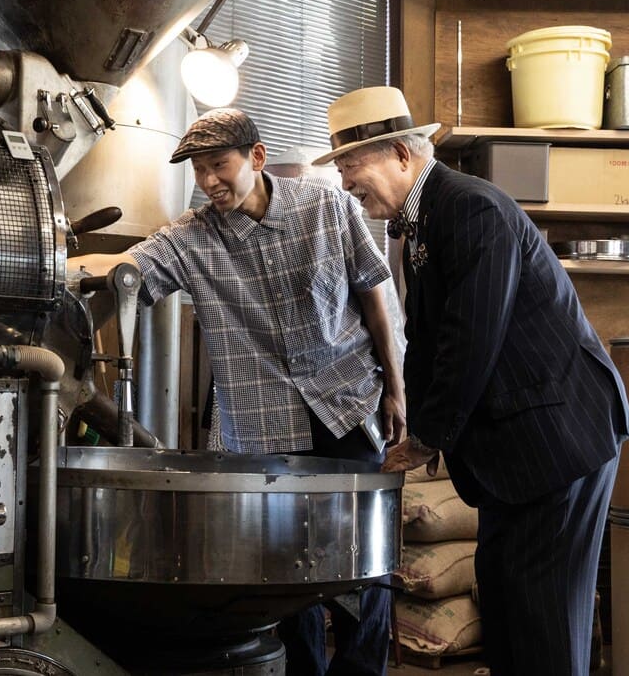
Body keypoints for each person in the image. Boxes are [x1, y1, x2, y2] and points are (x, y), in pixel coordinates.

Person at [73, 107, 405, 676]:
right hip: (263, 423)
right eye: (198, 170)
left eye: (218, 165)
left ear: (256, 156)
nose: (208, 181)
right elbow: (126, 266)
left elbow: (375, 293)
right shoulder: (191, 236)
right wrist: (57, 260)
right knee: (282, 564)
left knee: (362, 563)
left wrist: (397, 389)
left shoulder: (326, 206)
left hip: (347, 404)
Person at [317, 86, 629, 676]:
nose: (345, 182)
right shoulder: (420, 223)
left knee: (542, 625)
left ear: (401, 154)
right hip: (516, 454)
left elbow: (470, 338)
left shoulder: (470, 208)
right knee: (506, 606)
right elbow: (425, 340)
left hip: (556, 439)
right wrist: (411, 413)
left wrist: (426, 438)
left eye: (351, 165)